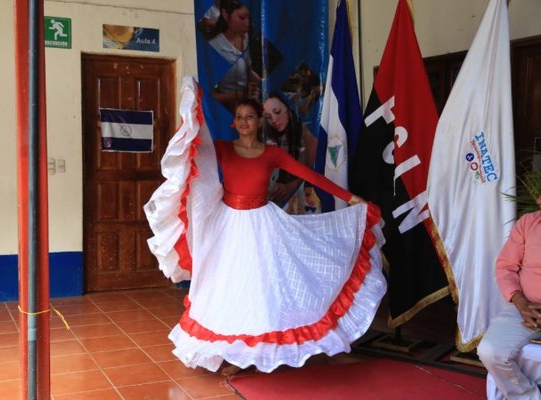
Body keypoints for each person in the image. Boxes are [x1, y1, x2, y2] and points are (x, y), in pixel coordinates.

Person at [144, 78, 386, 375]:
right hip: (229, 225)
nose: (243, 122)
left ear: (259, 121)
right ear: (234, 123)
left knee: (261, 286)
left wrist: (349, 197)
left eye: (249, 117)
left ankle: (256, 349)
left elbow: (311, 176)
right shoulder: (223, 149)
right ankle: (231, 351)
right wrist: (191, 109)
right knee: (230, 285)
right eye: (239, 117)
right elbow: (193, 151)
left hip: (262, 224)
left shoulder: (273, 154)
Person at [477, 191, 541, 400]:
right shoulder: (527, 223)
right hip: (524, 308)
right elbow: (506, 268)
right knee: (490, 350)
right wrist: (522, 304)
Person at [262, 93, 319, 213]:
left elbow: (311, 171)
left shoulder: (304, 133)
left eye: (277, 112)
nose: (274, 120)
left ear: (287, 109)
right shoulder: (264, 136)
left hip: (301, 203)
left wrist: (290, 187)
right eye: (268, 117)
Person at [208, 0, 261, 112]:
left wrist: (263, 82)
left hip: (246, 107)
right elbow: (209, 95)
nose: (247, 24)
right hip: (224, 112)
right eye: (241, 18)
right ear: (225, 15)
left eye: (248, 18)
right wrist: (240, 95)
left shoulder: (245, 38)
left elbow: (247, 70)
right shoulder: (215, 47)